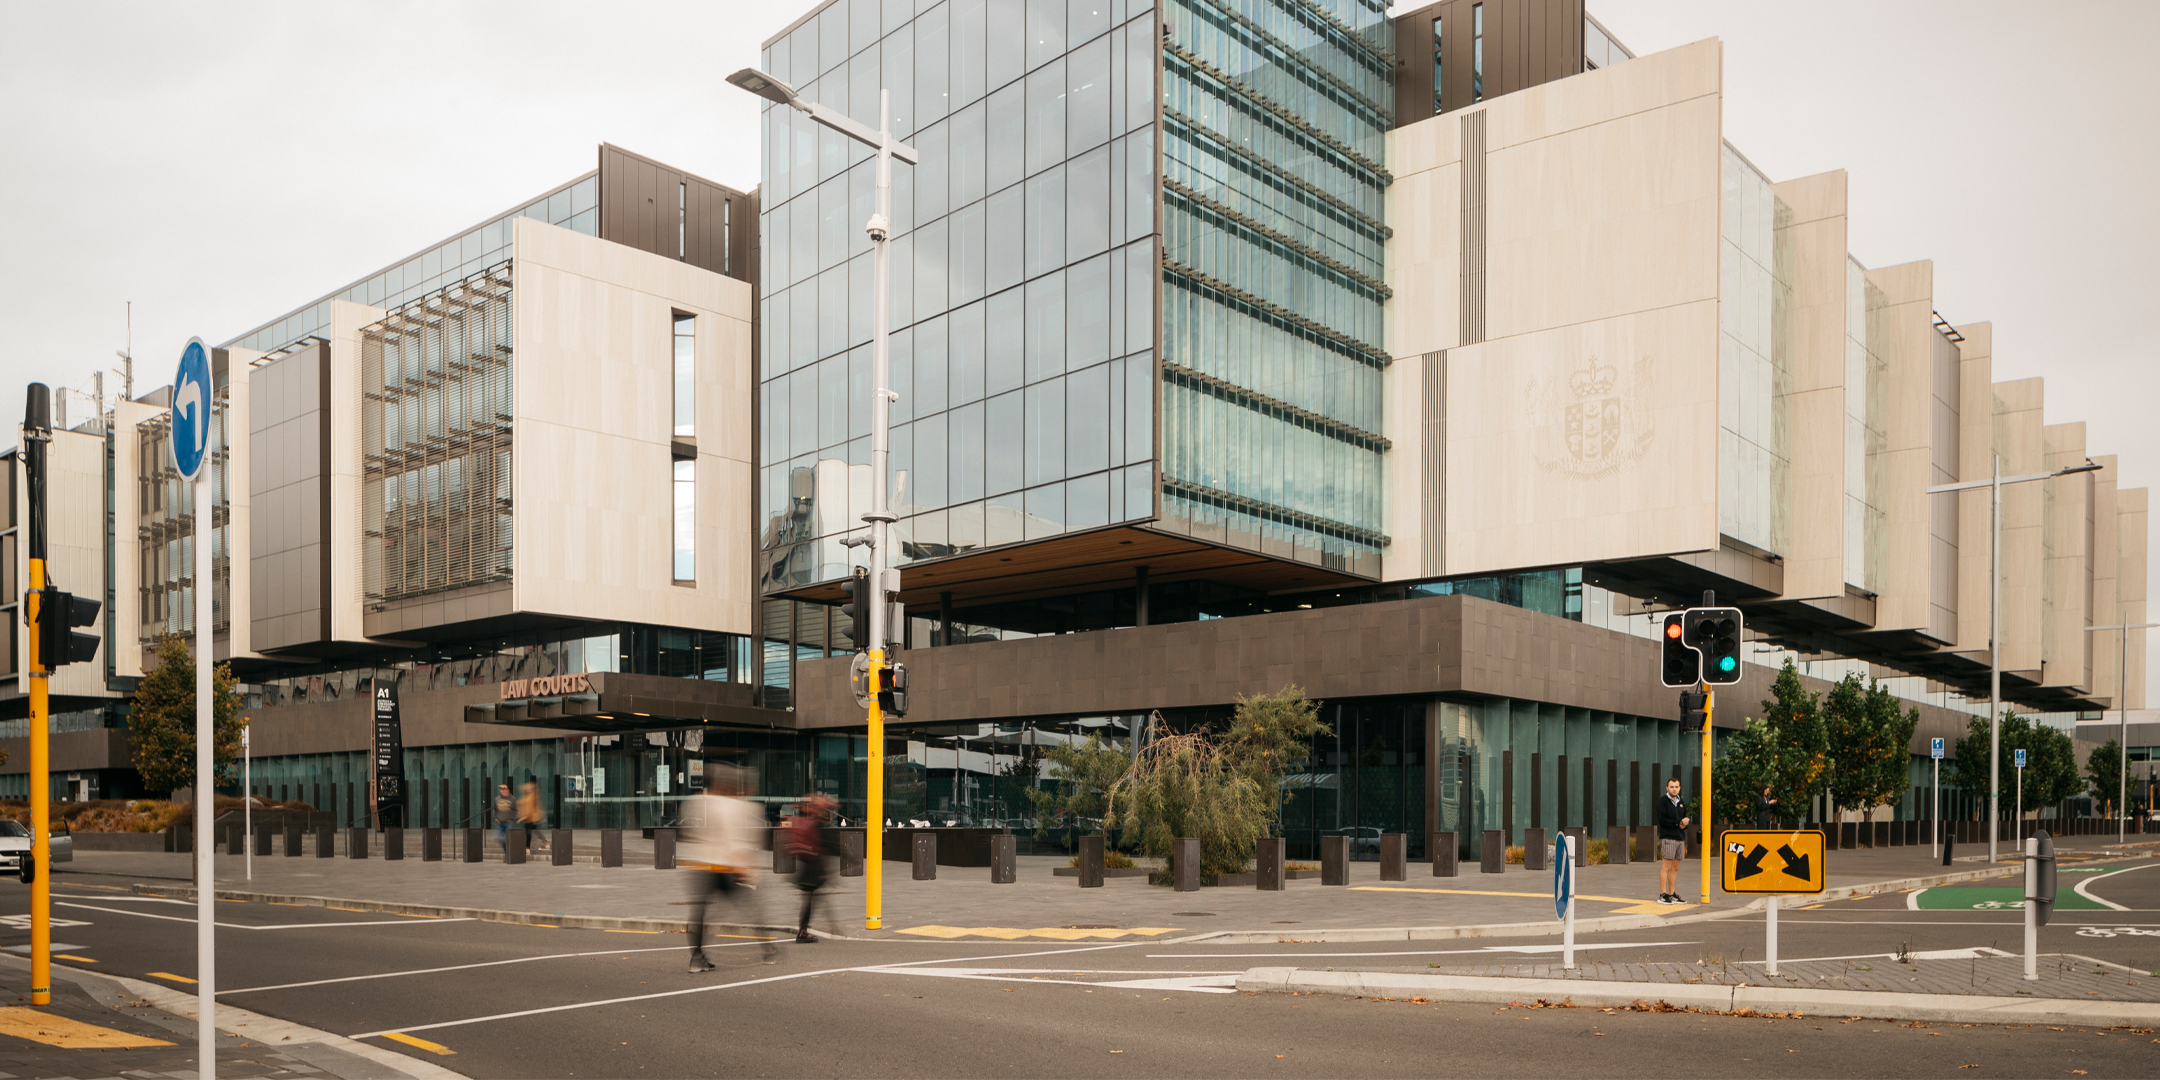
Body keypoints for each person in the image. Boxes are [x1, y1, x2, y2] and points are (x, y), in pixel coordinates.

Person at [679, 764, 776, 971]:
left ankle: (696, 957)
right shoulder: (731, 805)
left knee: (699, 913)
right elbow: (733, 838)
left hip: (698, 864)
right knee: (750, 907)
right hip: (724, 867)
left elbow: (687, 831)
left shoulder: (695, 801)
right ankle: (768, 949)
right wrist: (746, 867)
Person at [789, 795, 836, 943]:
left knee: (813, 898)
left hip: (808, 866)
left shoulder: (808, 822)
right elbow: (825, 844)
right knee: (812, 899)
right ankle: (803, 931)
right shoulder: (816, 824)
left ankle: (809, 928)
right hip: (813, 868)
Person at [1655, 776, 1691, 905]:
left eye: (1676, 787)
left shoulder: (1681, 802)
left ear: (1679, 788)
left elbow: (1682, 819)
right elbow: (1662, 820)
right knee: (1666, 866)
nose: (1674, 789)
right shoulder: (1663, 801)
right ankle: (1663, 894)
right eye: (1672, 787)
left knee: (1675, 867)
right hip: (1668, 837)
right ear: (1667, 788)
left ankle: (1672, 894)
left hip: (1679, 837)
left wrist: (1684, 823)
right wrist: (1678, 823)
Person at [517, 780, 549, 852]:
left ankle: (527, 847)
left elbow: (530, 808)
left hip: (532, 818)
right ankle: (544, 842)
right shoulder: (526, 796)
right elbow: (522, 802)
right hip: (528, 818)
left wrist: (524, 816)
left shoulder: (533, 796)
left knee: (529, 832)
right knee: (532, 831)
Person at [492, 783, 514, 854]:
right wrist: (496, 817)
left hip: (508, 822)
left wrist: (511, 818)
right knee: (499, 838)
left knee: (509, 838)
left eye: (504, 790)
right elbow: (495, 809)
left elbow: (516, 810)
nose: (503, 791)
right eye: (502, 790)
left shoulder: (512, 799)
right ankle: (506, 853)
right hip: (500, 822)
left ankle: (511, 853)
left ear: (508, 790)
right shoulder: (497, 799)